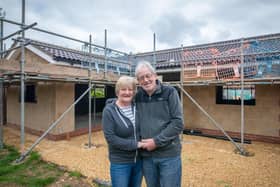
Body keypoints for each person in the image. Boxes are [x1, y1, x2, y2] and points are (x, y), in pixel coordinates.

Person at [135, 61, 184, 187]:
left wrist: (156, 142)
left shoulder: (170, 92)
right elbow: (121, 98)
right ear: (138, 81)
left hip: (169, 155)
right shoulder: (137, 97)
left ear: (155, 75)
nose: (145, 80)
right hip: (147, 156)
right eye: (141, 78)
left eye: (148, 76)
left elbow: (178, 123)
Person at [102, 76, 143, 187]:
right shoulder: (109, 111)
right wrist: (136, 144)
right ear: (117, 91)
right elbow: (111, 138)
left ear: (134, 92)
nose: (127, 92)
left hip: (139, 160)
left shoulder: (137, 107)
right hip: (120, 162)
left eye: (130, 89)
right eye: (123, 89)